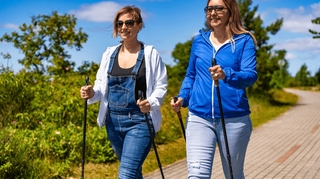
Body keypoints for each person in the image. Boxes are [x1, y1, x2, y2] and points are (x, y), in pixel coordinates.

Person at [170, 0, 257, 178]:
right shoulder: (199, 41)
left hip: (234, 119)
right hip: (199, 117)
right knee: (196, 175)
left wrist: (227, 74)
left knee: (233, 174)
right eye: (209, 9)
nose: (213, 13)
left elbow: (250, 75)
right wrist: (182, 97)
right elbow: (191, 75)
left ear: (230, 11)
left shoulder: (244, 41)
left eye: (218, 8)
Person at [80, 5, 167, 179]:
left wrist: (151, 103)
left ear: (139, 25)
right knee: (134, 173)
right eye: (120, 23)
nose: (124, 27)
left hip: (140, 121)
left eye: (129, 22)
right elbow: (100, 87)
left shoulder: (150, 54)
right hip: (113, 122)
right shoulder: (109, 54)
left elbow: (161, 86)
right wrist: (91, 93)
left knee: (126, 174)